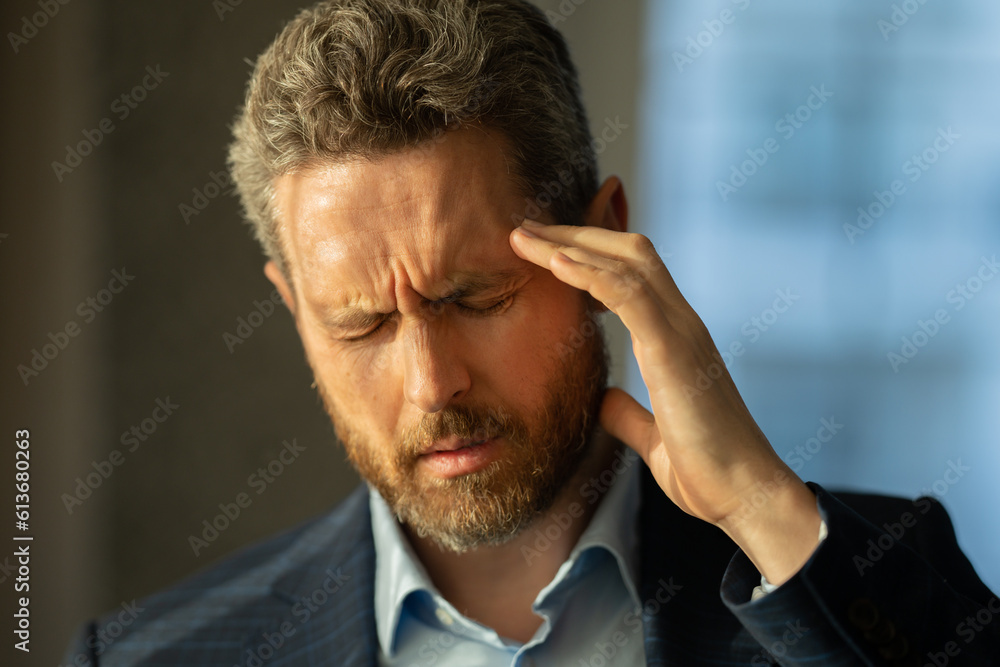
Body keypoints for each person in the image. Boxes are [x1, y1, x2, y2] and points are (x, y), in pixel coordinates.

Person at [64, 1, 1000, 665]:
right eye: (362, 322)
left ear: (605, 246)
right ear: (295, 309)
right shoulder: (148, 656)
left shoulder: (879, 572)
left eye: (476, 297)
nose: (431, 383)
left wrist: (758, 505)